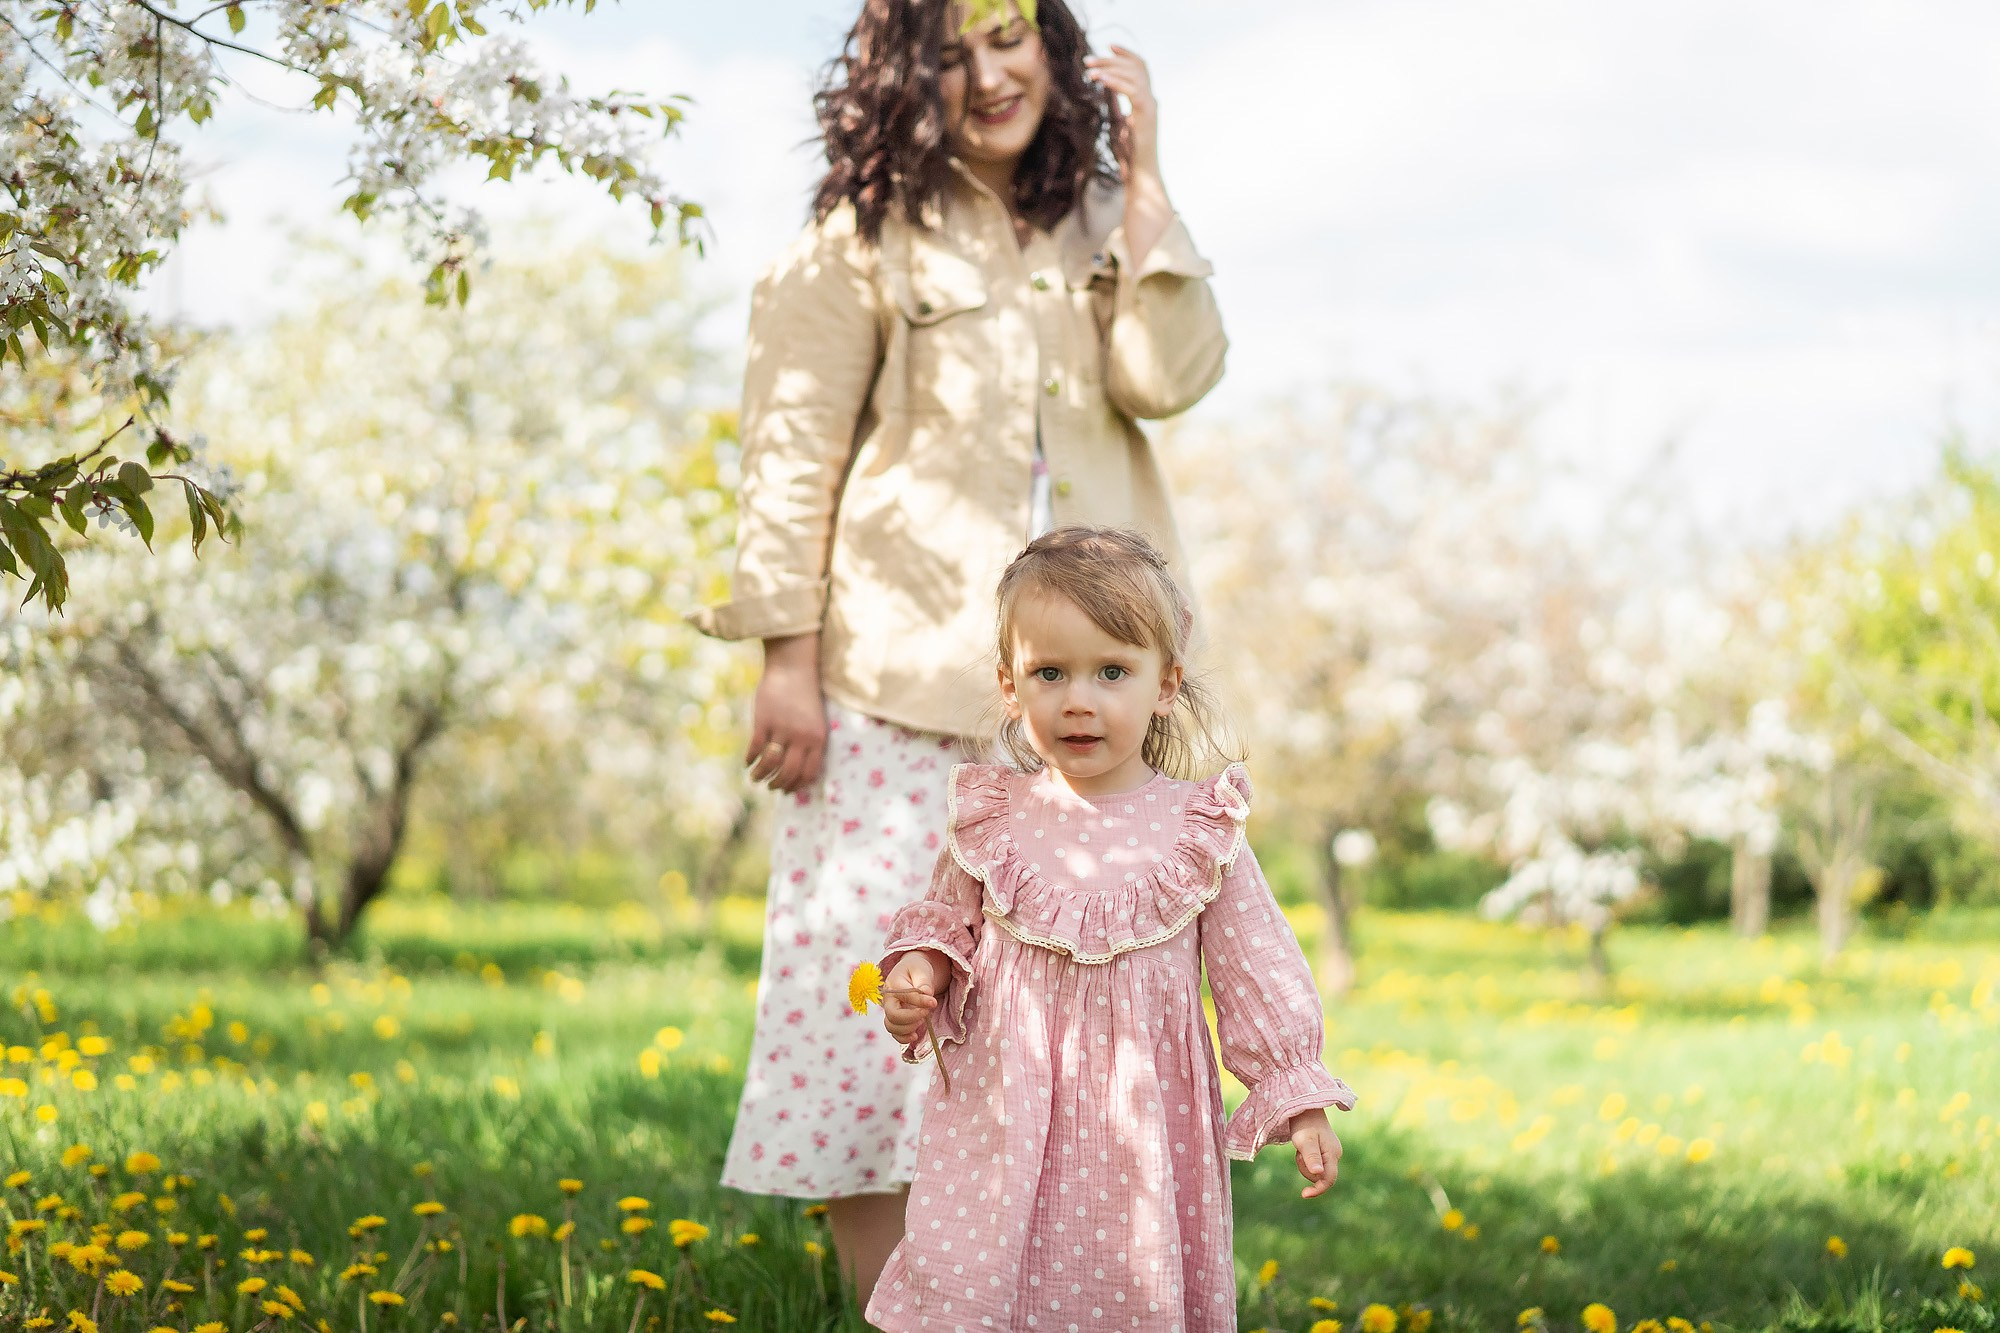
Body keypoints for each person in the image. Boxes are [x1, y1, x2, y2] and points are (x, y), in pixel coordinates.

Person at [688, 0, 1228, 1310]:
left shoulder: (1103, 221)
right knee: (878, 1029)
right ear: (900, 75)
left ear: (1054, 44)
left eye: (1008, 37)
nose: (988, 75)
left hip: (1091, 693)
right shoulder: (859, 238)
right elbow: (792, 452)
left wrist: (1147, 179)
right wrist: (785, 660)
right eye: (949, 50)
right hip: (896, 693)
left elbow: (1171, 376)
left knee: (1073, 1039)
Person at [867, 528, 1356, 1332]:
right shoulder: (993, 817)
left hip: (1141, 1130)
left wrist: (1297, 1098)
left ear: (1166, 683)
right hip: (1003, 1118)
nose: (1078, 699)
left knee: (1124, 1284)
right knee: (977, 1276)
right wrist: (919, 973)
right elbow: (946, 921)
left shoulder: (1199, 829)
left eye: (1112, 671)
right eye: (1049, 672)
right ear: (1009, 685)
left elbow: (1255, 971)